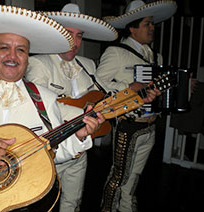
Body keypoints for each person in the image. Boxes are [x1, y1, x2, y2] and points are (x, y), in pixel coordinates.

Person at [0, 5, 105, 211]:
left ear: (27, 57)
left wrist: (78, 137)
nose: (12, 56)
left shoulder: (45, 99)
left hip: (15, 199)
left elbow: (53, 153)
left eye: (21, 50)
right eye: (4, 47)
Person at [25, 3, 118, 212]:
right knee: (43, 206)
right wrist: (86, 113)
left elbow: (101, 98)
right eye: (68, 34)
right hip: (52, 152)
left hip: (80, 149)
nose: (74, 42)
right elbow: (43, 110)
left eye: (79, 36)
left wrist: (129, 95)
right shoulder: (39, 64)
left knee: (73, 204)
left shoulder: (88, 65)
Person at [96, 1, 177, 211]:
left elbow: (155, 91)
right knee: (119, 176)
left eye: (152, 24)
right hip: (128, 124)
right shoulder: (116, 52)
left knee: (134, 177)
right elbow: (98, 82)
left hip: (149, 125)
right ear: (132, 27)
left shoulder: (155, 56)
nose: (152, 28)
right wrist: (128, 87)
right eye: (147, 24)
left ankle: (126, 208)